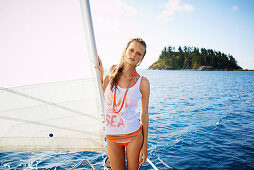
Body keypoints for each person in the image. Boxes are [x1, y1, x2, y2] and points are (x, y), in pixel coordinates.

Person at [96, 38, 150, 170]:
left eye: (138, 53)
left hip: (134, 136)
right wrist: (101, 73)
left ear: (141, 59)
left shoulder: (143, 82)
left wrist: (145, 146)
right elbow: (101, 94)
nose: (133, 55)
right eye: (131, 50)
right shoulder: (112, 70)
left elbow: (144, 115)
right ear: (125, 50)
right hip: (112, 136)